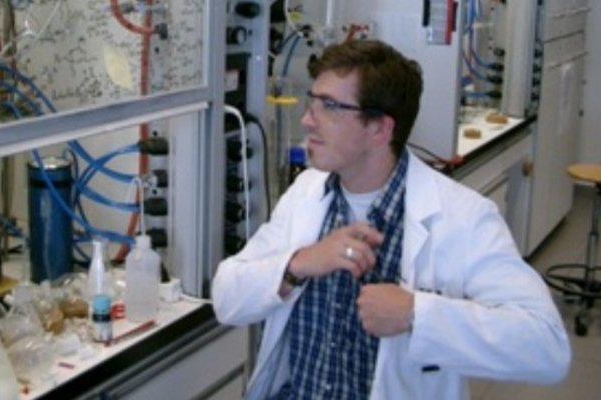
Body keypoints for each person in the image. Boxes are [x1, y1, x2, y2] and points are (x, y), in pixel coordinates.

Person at [212, 39, 570, 399]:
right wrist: (299, 263)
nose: (306, 120)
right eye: (312, 102)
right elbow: (226, 297)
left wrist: (416, 314)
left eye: (329, 106)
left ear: (380, 129)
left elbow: (548, 347)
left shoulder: (464, 217)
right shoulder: (305, 193)